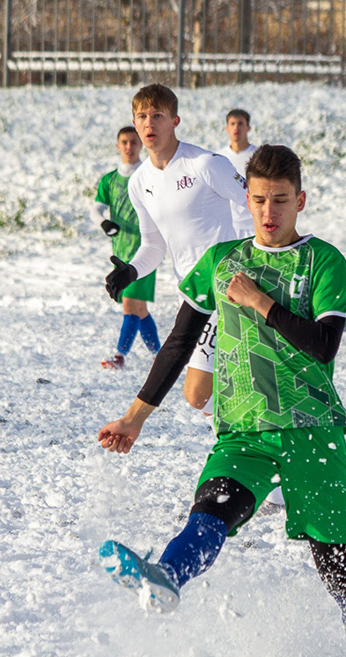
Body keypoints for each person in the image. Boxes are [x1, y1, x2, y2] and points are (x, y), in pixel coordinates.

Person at [97, 144, 346, 653]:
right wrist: (134, 417)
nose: (268, 213)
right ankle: (167, 576)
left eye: (280, 200)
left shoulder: (324, 262)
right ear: (245, 200)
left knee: (338, 572)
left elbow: (322, 347)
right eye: (258, 200)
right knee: (210, 512)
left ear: (300, 201)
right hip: (244, 433)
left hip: (312, 432)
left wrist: (258, 301)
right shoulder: (222, 261)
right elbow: (180, 342)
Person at [104, 84, 253, 413]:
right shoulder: (138, 182)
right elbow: (154, 245)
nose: (148, 124)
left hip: (230, 288)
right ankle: (247, 433)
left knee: (205, 388)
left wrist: (249, 262)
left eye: (157, 116)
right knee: (198, 395)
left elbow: (255, 206)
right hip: (193, 292)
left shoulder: (205, 163)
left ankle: (251, 439)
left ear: (175, 121)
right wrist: (130, 270)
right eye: (141, 116)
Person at [92, 126, 160, 370]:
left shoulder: (149, 174)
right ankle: (160, 356)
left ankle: (119, 356)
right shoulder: (110, 180)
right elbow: (96, 208)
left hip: (146, 251)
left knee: (131, 305)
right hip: (120, 252)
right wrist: (104, 222)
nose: (129, 147)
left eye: (133, 142)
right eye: (124, 142)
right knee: (139, 309)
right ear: (118, 146)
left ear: (141, 144)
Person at [221, 108, 257, 239]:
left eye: (240, 124)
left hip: (254, 224)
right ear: (227, 128)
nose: (236, 128)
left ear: (248, 127)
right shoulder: (219, 157)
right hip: (229, 225)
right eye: (232, 124)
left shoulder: (259, 155)